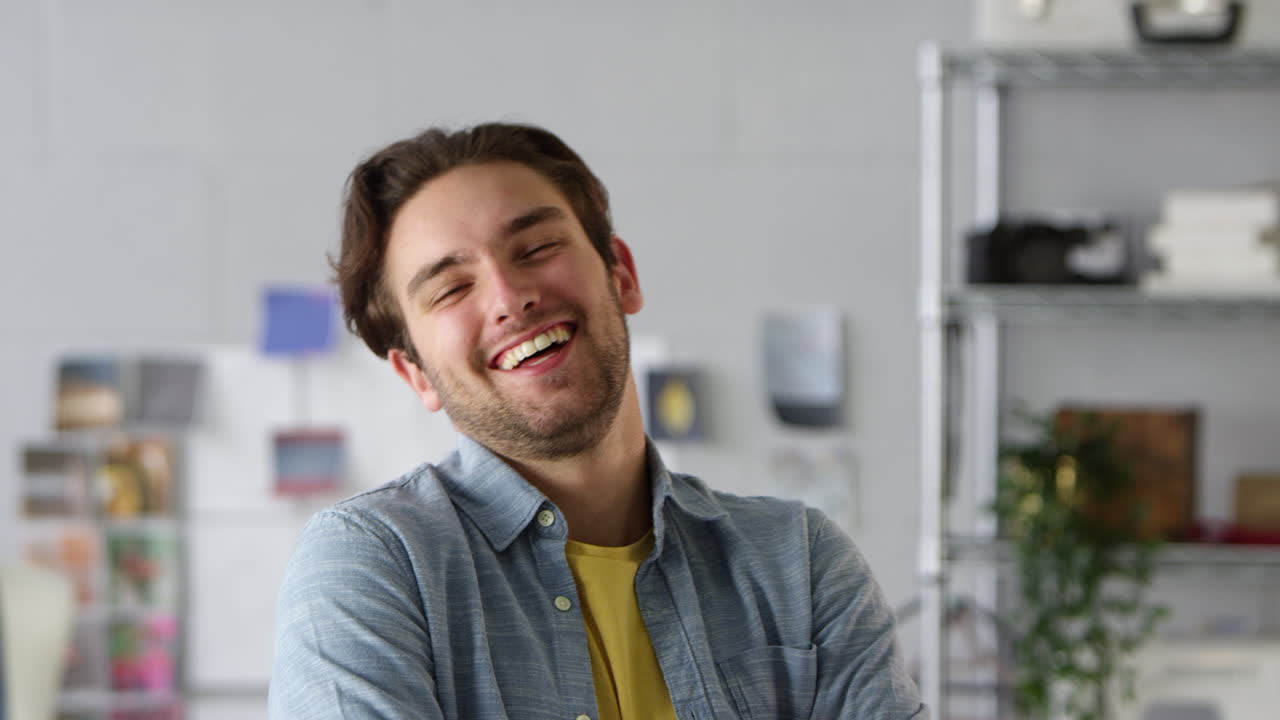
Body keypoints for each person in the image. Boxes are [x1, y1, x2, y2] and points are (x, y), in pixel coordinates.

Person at [269, 122, 925, 720]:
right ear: (415, 375)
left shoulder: (798, 564)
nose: (509, 296)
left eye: (537, 247)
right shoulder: (373, 564)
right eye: (451, 288)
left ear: (622, 275)